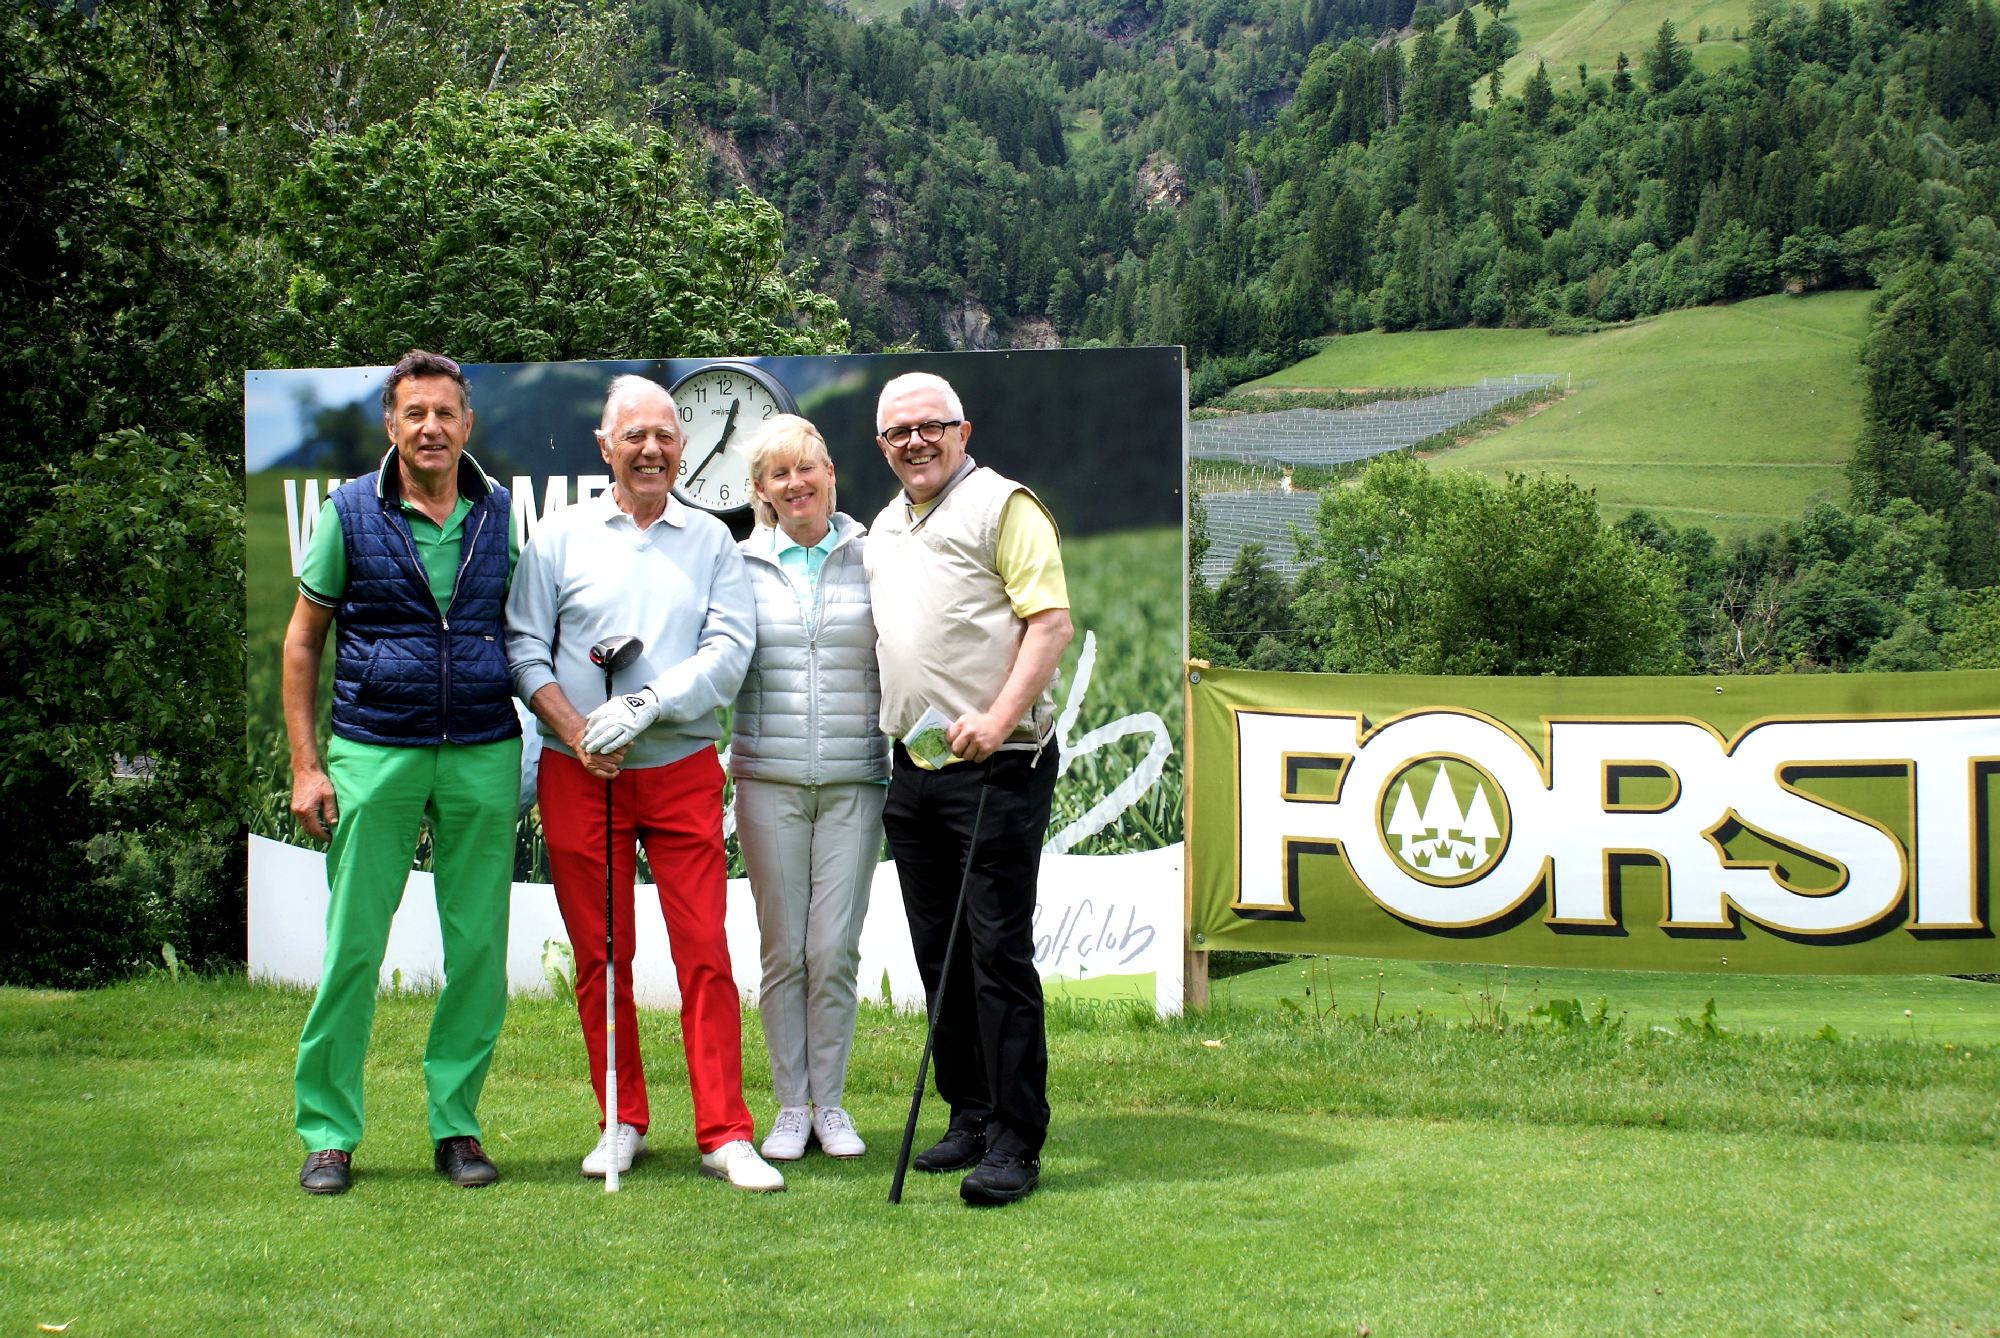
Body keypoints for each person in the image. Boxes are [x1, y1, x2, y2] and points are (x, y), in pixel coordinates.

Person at [505, 373, 783, 1192]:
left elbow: (727, 653)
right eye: (635, 436)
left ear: (683, 446)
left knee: (704, 950)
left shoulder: (712, 543)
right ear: (606, 447)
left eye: (665, 436)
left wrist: (647, 703)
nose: (652, 449)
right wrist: (576, 730)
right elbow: (524, 648)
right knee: (601, 953)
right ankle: (620, 1119)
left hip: (679, 767)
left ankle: (725, 1132)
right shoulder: (559, 538)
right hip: (579, 771)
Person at [284, 350, 521, 1195]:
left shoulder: (499, 513)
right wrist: (307, 765)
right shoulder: (347, 511)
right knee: (353, 946)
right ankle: (327, 1134)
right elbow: (302, 640)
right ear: (391, 425)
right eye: (414, 413)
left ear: (467, 423)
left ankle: (456, 1127)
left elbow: (524, 629)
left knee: (479, 952)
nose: (430, 427)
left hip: (482, 750)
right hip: (375, 749)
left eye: (445, 413)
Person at [863, 370, 1073, 1206]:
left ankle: (1017, 1138)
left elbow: (1049, 623)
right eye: (898, 432)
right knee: (937, 952)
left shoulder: (1003, 506)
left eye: (930, 426)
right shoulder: (886, 525)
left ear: (962, 430)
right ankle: (971, 1113)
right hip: (913, 770)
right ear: (882, 446)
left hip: (997, 765)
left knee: (995, 954)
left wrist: (997, 717)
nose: (915, 441)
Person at [731, 415, 889, 1164]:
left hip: (857, 779)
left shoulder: (875, 553)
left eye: (807, 468)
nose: (796, 484)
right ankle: (791, 1107)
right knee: (783, 954)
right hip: (768, 780)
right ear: (761, 490)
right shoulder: (737, 565)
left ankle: (831, 1104)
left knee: (833, 951)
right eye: (779, 474)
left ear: (830, 474)